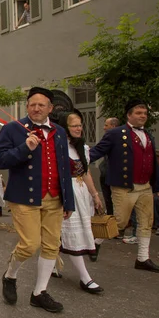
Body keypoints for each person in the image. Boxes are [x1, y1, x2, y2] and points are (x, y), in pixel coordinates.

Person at [0, 87, 75, 313]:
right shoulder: (13, 129)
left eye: (42, 105)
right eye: (32, 104)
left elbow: (63, 167)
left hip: (54, 197)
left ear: (50, 108)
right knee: (30, 245)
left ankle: (39, 292)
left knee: (51, 245)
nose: (37, 108)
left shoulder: (58, 131)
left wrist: (69, 201)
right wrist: (23, 148)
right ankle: (10, 275)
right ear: (27, 106)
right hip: (24, 197)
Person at [90, 100, 159, 273]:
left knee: (146, 221)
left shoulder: (147, 135)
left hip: (145, 186)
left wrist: (158, 184)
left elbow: (152, 161)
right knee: (120, 222)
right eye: (139, 113)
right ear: (129, 115)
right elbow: (97, 151)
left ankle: (142, 258)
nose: (143, 116)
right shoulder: (116, 134)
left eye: (145, 113)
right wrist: (79, 159)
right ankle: (95, 243)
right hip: (125, 186)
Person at [54, 111, 104, 293]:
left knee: (66, 232)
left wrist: (95, 195)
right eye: (74, 125)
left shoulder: (82, 148)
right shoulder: (57, 147)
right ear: (65, 128)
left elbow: (85, 172)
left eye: (80, 124)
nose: (79, 128)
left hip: (81, 193)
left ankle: (51, 263)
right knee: (70, 233)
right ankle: (85, 277)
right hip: (66, 192)